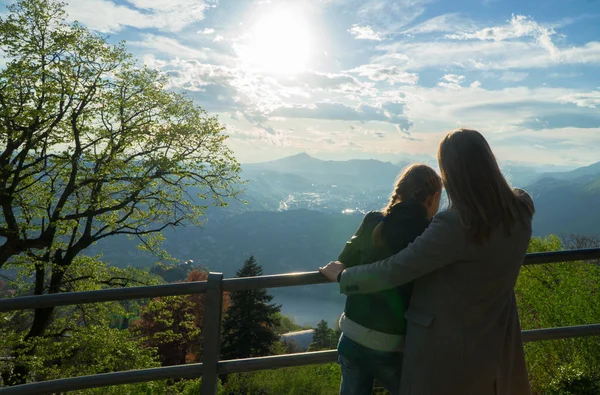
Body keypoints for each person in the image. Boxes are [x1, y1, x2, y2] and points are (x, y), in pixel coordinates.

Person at [320, 129, 535, 395]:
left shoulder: (455, 226)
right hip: (497, 340)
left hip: (444, 348)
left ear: (450, 173)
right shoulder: (521, 211)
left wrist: (343, 277)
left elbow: (394, 270)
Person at [335, 164, 442, 395]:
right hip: (394, 344)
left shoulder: (374, 220)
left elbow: (344, 261)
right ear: (433, 198)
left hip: (351, 335)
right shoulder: (430, 234)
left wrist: (333, 271)